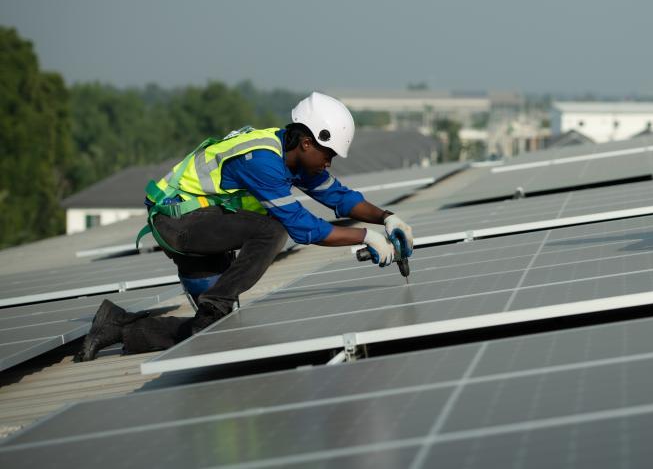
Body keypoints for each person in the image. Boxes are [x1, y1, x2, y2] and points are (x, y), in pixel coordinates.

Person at [75, 92, 413, 362]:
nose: (329, 162)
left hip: (209, 226)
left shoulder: (293, 158)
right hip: (178, 222)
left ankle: (117, 326)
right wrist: (365, 236)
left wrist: (387, 217)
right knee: (273, 230)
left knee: (213, 331)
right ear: (307, 143)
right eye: (328, 153)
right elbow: (304, 228)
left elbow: (339, 197)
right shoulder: (262, 161)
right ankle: (215, 302)